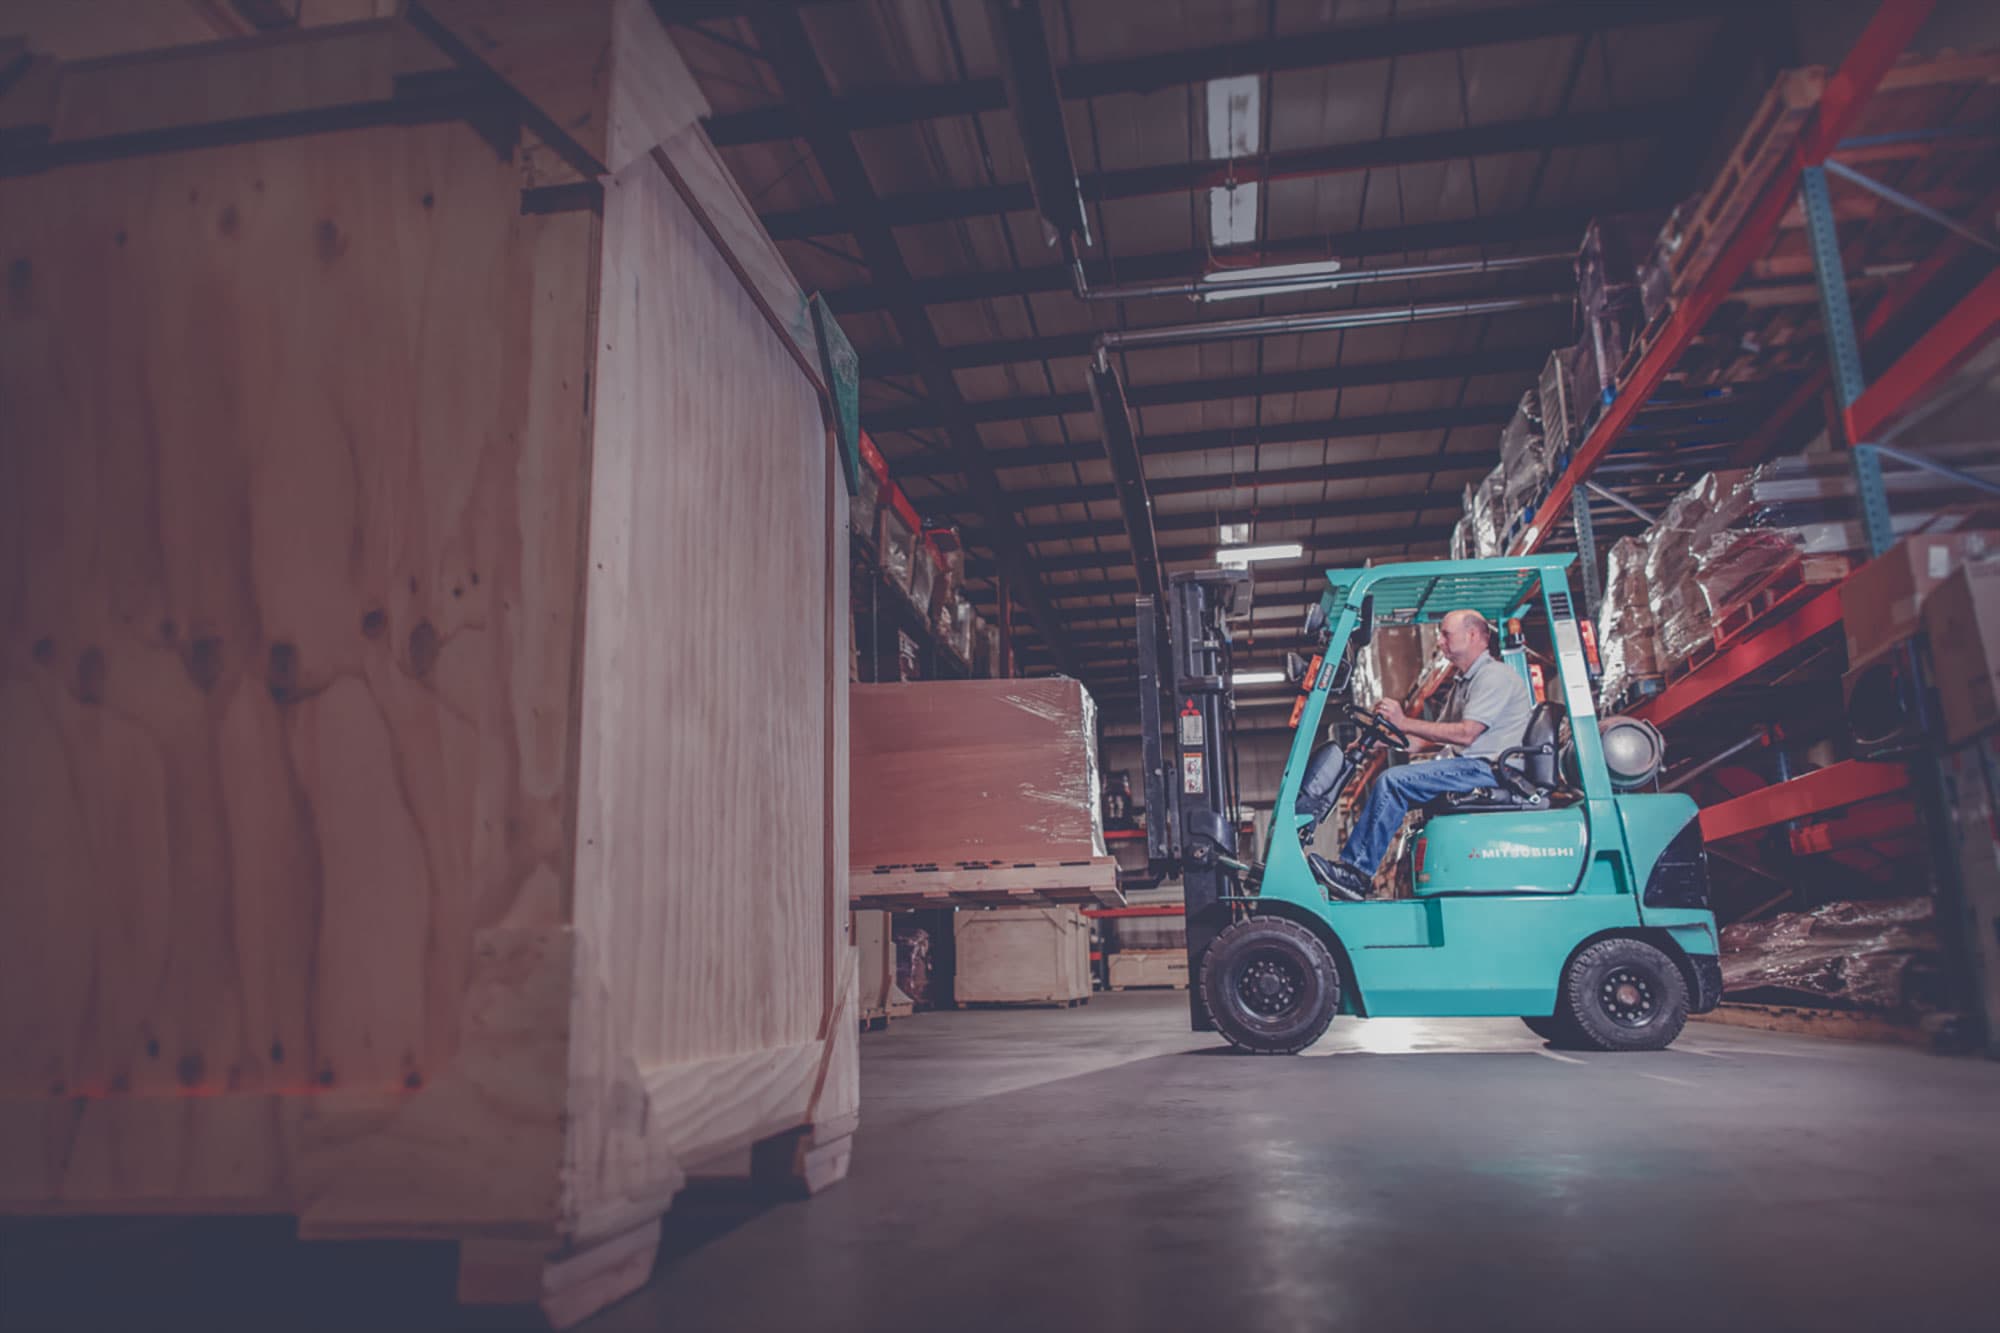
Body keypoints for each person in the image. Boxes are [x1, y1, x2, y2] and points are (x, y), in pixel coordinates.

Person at [1307, 608, 1534, 897]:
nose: (1440, 641)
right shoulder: (1465, 682)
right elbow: (1430, 739)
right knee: (1395, 781)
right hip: (1472, 766)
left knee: (1393, 782)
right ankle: (1354, 870)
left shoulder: (1493, 676)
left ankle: (1356, 873)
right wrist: (1380, 741)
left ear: (1473, 634)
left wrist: (1403, 721)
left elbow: (1465, 734)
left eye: (1446, 634)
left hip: (1490, 770)